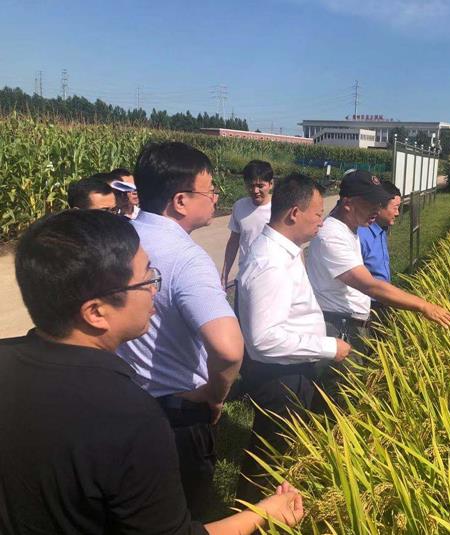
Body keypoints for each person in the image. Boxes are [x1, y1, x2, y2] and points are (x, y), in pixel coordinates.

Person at [0, 210, 303, 534]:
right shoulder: (132, 417)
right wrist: (265, 513)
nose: (155, 289)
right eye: (147, 280)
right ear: (96, 312)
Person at [116, 141, 244, 521]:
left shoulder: (118, 239)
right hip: (178, 415)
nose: (216, 198)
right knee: (185, 515)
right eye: (210, 191)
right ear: (181, 201)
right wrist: (214, 395)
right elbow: (229, 348)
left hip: (121, 403)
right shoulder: (187, 259)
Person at [236, 173, 351, 502]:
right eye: (317, 214)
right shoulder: (270, 263)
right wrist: (328, 346)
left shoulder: (285, 251)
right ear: (294, 214)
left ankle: (272, 508)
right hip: (279, 378)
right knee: (269, 457)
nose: (321, 222)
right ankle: (251, 514)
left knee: (282, 452)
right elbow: (264, 339)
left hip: (291, 370)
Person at [306, 170, 450, 358]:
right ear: (348, 203)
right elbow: (370, 286)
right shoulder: (332, 237)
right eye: (371, 203)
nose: (377, 209)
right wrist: (424, 306)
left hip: (351, 324)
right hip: (340, 327)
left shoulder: (349, 229)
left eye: (379, 203)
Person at [221, 160, 274, 288]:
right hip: (244, 278)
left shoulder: (279, 208)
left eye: (260, 186)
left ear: (271, 184)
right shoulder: (239, 206)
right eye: (251, 185)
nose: (255, 190)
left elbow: (294, 244)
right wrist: (224, 274)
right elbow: (234, 241)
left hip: (271, 279)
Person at [357, 181, 401, 284]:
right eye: (395, 208)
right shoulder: (361, 236)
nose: (397, 213)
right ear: (379, 207)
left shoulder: (381, 229)